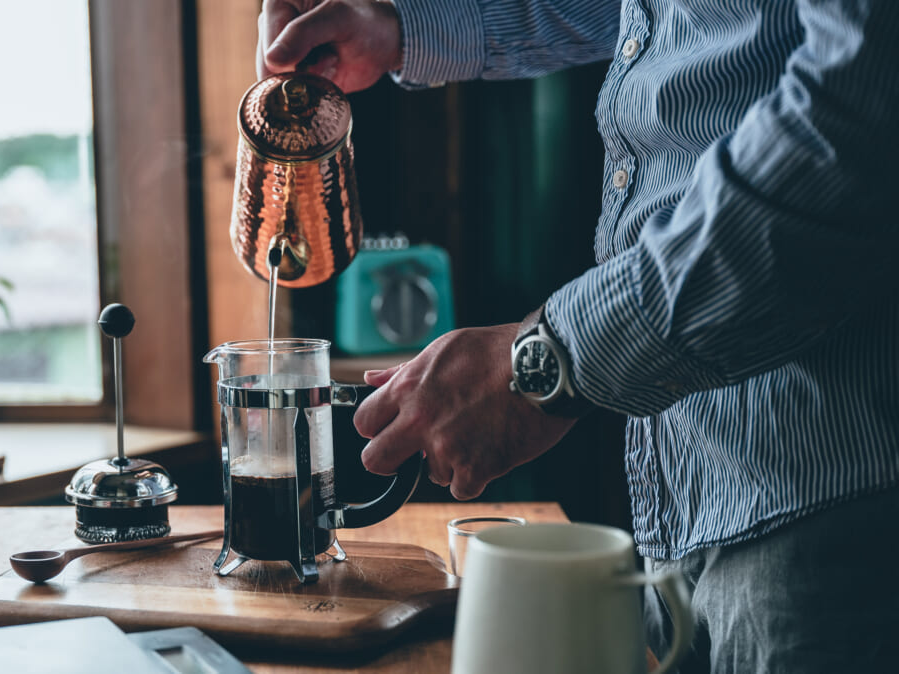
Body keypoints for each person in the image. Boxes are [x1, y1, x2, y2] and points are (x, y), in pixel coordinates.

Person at [258, 1, 899, 671]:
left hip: (836, 497)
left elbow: (859, 117)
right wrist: (403, 27)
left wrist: (550, 362)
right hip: (686, 487)